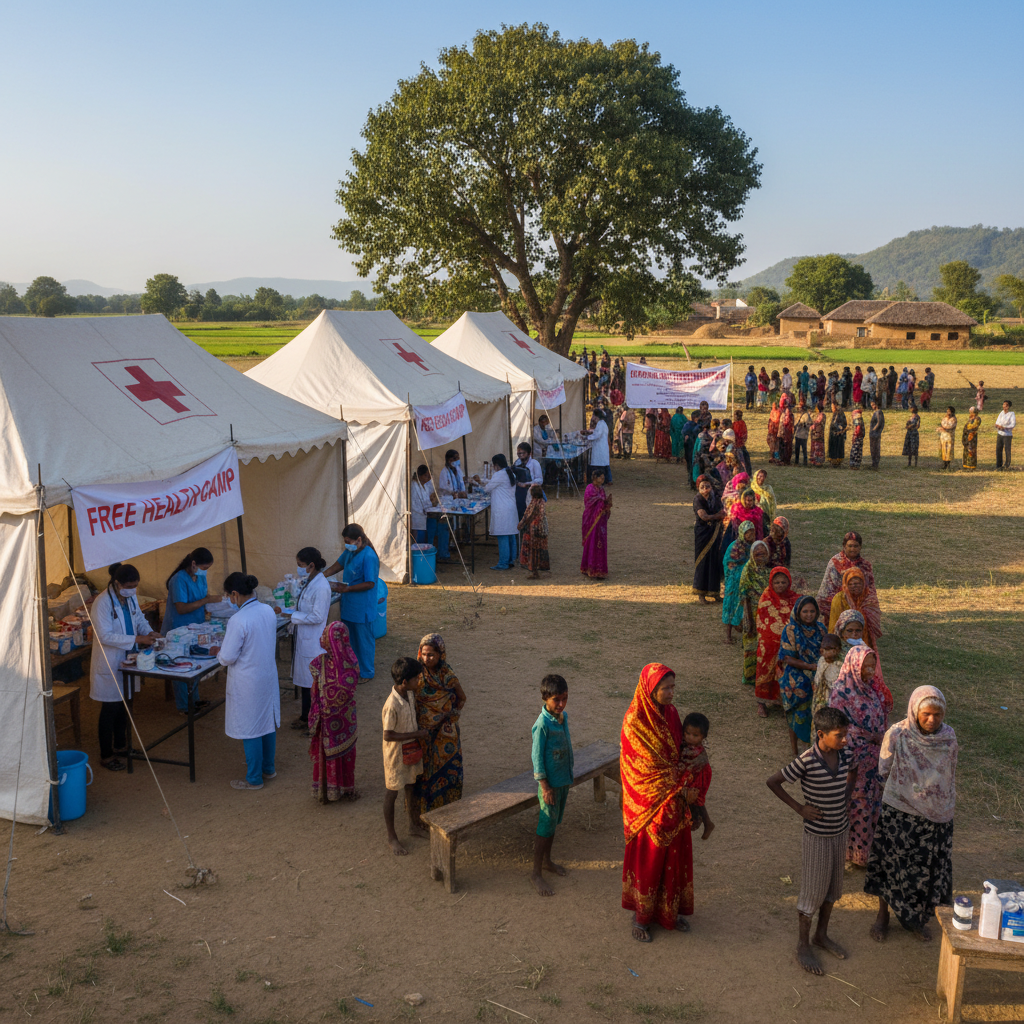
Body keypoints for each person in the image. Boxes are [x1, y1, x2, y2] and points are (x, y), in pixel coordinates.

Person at [766, 706, 857, 976]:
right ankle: (803, 944)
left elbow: (854, 770)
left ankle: (821, 935)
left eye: (845, 735)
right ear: (821, 734)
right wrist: (799, 808)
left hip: (840, 832)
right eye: (839, 736)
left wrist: (847, 796)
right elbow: (773, 782)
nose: (844, 740)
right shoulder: (806, 760)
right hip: (817, 837)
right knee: (812, 891)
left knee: (832, 888)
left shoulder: (846, 754)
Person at [865, 686, 957, 943]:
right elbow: (883, 769)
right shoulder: (897, 733)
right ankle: (882, 917)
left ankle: (916, 919)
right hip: (900, 813)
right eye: (926, 714)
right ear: (915, 711)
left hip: (936, 818)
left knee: (926, 870)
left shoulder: (949, 737)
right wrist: (907, 793)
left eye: (938, 714)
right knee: (891, 865)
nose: (932, 720)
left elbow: (949, 774)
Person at [620, 664, 705, 942]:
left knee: (674, 858)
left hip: (675, 802)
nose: (670, 693)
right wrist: (682, 787)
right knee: (652, 859)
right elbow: (644, 772)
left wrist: (696, 767)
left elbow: (679, 754)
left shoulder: (671, 713)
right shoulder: (635, 722)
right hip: (650, 806)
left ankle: (670, 912)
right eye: (665, 688)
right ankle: (641, 916)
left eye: (673, 687)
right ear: (650, 689)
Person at [214, 572, 280, 791]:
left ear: (234, 594)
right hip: (266, 675)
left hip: (247, 680)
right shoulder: (267, 610)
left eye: (228, 596)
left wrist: (218, 652)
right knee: (266, 722)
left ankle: (254, 778)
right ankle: (268, 768)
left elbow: (227, 657)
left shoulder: (238, 619)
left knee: (250, 728)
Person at [90, 563, 158, 772]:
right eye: (129, 586)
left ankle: (121, 746)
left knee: (126, 705)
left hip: (129, 657)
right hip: (110, 660)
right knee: (110, 707)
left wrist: (150, 633)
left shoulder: (129, 596)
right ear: (117, 583)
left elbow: (138, 617)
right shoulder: (102, 602)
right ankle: (106, 755)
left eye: (135, 586)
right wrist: (138, 638)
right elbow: (104, 636)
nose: (132, 590)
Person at [828, 646, 889, 868]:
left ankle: (867, 850)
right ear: (854, 666)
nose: (870, 670)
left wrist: (881, 739)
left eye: (873, 665)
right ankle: (853, 853)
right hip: (853, 760)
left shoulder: (874, 690)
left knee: (872, 804)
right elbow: (838, 728)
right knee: (857, 805)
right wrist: (869, 736)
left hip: (874, 760)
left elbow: (883, 717)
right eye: (866, 666)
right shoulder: (841, 693)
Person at [413, 633, 466, 818]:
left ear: (440, 655)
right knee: (423, 772)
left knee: (446, 768)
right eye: (424, 654)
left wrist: (451, 719)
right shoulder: (416, 673)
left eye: (431, 655)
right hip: (423, 733)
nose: (427, 658)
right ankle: (423, 812)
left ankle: (448, 809)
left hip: (445, 733)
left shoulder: (447, 675)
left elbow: (462, 697)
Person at [280, 547, 332, 732]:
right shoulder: (310, 581)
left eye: (300, 565)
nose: (298, 569)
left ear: (311, 565)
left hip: (313, 640)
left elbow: (317, 616)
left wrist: (293, 616)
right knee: (306, 683)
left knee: (312, 684)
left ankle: (314, 721)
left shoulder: (321, 586)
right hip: (304, 638)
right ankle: (305, 717)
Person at [530, 674, 574, 896]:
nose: (561, 704)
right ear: (545, 698)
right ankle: (536, 873)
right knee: (545, 826)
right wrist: (545, 786)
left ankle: (548, 861)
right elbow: (537, 758)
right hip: (549, 786)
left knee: (554, 822)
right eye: (556, 699)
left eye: (565, 698)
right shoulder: (541, 725)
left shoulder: (562, 717)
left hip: (562, 781)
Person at [307, 621, 359, 803]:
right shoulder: (352, 664)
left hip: (331, 722)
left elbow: (315, 692)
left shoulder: (319, 664)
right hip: (342, 722)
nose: (321, 639)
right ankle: (342, 789)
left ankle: (329, 792)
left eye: (324, 636)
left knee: (332, 755)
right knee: (344, 755)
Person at [162, 546, 218, 714]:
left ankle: (194, 699)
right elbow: (181, 608)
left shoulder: (199, 578)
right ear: (193, 564)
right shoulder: (178, 579)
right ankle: (184, 706)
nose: (205, 572)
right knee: (181, 665)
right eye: (203, 568)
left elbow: (203, 598)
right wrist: (206, 600)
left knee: (194, 663)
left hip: (196, 625)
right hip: (179, 628)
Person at [382, 657, 429, 855]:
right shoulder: (391, 704)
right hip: (396, 756)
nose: (419, 682)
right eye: (416, 679)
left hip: (411, 751)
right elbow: (388, 734)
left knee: (412, 785)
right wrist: (417, 734)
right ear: (404, 682)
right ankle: (392, 836)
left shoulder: (410, 694)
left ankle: (414, 824)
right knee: (393, 792)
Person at [325, 524, 380, 680]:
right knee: (350, 639)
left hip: (362, 606)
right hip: (350, 605)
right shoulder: (351, 551)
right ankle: (353, 669)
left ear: (359, 539)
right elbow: (338, 565)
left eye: (348, 541)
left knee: (364, 641)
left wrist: (347, 589)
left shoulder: (369, 556)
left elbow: (370, 583)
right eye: (345, 541)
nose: (346, 544)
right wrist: (320, 576)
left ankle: (366, 672)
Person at [778, 596, 828, 754]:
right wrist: (809, 666)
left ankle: (814, 747)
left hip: (818, 672)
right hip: (796, 673)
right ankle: (795, 749)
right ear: (798, 612)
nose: (809, 615)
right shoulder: (791, 630)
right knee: (796, 711)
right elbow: (787, 657)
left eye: (812, 611)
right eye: (805, 611)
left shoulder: (821, 629)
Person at [755, 566, 798, 718]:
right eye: (777, 582)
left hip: (788, 641)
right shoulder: (766, 598)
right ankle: (762, 702)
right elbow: (762, 622)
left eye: (783, 582)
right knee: (765, 669)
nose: (780, 585)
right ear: (771, 583)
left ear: (789, 582)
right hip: (769, 642)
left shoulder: (795, 599)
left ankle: (781, 700)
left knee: (786, 669)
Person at [476, 454, 519, 570]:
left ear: (496, 465)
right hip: (510, 508)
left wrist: (476, 484)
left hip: (502, 509)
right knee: (510, 534)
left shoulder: (499, 475)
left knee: (503, 535)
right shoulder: (510, 473)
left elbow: (486, 489)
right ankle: (511, 560)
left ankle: (503, 563)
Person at [739, 540, 771, 690]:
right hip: (751, 612)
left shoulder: (767, 571)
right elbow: (744, 596)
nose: (760, 556)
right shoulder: (748, 570)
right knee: (751, 645)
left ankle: (761, 674)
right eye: (757, 554)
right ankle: (749, 676)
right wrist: (749, 620)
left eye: (763, 553)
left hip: (765, 614)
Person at [817, 531, 876, 612]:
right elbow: (829, 589)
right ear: (844, 546)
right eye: (850, 546)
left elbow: (870, 589)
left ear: (860, 547)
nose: (853, 549)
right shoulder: (835, 562)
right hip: (837, 605)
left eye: (856, 546)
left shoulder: (865, 565)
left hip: (860, 606)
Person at [828, 566, 882, 649]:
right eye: (850, 584)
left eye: (857, 583)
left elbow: (874, 619)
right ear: (845, 584)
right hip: (844, 639)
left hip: (864, 637)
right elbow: (835, 624)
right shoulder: (839, 599)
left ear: (863, 583)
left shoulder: (869, 598)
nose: (854, 586)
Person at [722, 519, 757, 644]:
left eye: (753, 532)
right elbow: (729, 564)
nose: (751, 536)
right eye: (748, 533)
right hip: (734, 583)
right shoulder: (735, 547)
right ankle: (728, 635)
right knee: (731, 606)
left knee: (745, 606)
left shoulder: (753, 547)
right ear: (742, 533)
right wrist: (744, 569)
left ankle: (744, 631)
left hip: (746, 582)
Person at [692, 475, 725, 602]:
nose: (705, 489)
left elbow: (722, 511)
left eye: (708, 486)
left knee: (715, 561)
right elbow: (703, 516)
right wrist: (717, 516)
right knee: (703, 561)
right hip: (703, 534)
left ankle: (714, 592)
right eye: (702, 487)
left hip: (716, 533)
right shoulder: (698, 499)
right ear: (698, 488)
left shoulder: (715, 497)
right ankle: (701, 593)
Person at [412, 465, 451, 560]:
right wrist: (427, 510)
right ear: (420, 476)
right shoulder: (414, 486)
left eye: (429, 476)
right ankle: (419, 560)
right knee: (419, 542)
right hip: (418, 516)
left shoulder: (424, 485)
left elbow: (427, 500)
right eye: (426, 476)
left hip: (425, 514)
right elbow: (414, 504)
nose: (428, 478)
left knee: (429, 534)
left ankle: (431, 555)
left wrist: (432, 504)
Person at [581, 468, 612, 579]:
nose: (603, 480)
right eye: (601, 478)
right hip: (591, 520)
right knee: (592, 542)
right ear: (595, 478)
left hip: (601, 521)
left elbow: (602, 501)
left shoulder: (602, 489)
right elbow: (589, 502)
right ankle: (590, 568)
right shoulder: (589, 488)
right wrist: (601, 502)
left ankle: (600, 569)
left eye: (604, 478)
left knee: (601, 543)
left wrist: (607, 504)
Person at [518, 484, 550, 578]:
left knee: (533, 550)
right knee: (539, 549)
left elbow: (528, 515)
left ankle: (534, 571)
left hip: (534, 529)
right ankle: (538, 568)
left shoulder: (534, 502)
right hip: (542, 528)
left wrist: (521, 525)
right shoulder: (542, 502)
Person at [811, 634, 843, 714]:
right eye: (823, 648)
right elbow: (818, 677)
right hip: (820, 695)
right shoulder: (822, 660)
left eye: (828, 649)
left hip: (834, 696)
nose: (824, 651)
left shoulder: (840, 664)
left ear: (838, 650)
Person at [584, 405, 611, 482]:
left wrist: (587, 438)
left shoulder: (600, 424)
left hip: (599, 449)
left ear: (596, 416)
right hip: (601, 448)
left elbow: (597, 435)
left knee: (598, 466)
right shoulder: (603, 424)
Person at [995, 399, 1014, 469]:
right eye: (1004, 404)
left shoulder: (1011, 414)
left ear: (1009, 406)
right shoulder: (1001, 413)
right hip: (1000, 433)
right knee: (998, 449)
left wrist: (1004, 427)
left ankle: (1007, 465)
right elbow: (997, 422)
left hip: (1007, 435)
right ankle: (998, 465)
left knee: (1007, 450)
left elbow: (1012, 424)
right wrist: (997, 426)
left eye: (1006, 405)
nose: (1004, 406)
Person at [827, 401, 847, 468]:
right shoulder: (838, 413)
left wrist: (837, 431)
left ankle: (835, 462)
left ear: (835, 405)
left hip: (836, 436)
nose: (831, 408)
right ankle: (835, 462)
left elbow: (837, 425)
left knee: (836, 449)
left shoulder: (838, 413)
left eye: (832, 407)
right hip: (837, 435)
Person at [901, 404, 920, 468]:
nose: (910, 409)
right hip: (909, 433)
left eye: (911, 408)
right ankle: (909, 462)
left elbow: (917, 425)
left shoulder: (917, 417)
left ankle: (915, 463)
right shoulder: (911, 417)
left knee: (914, 447)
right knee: (909, 447)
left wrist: (910, 426)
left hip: (913, 433)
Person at [868, 399, 885, 470]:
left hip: (875, 434)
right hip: (873, 434)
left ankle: (875, 463)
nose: (872, 406)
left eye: (873, 405)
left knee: (875, 448)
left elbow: (879, 422)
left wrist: (874, 429)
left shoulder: (878, 412)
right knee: (873, 448)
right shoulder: (876, 412)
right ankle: (873, 463)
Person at [809, 403, 827, 468]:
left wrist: (812, 425)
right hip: (817, 435)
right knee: (816, 448)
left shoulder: (821, 416)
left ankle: (818, 461)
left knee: (818, 448)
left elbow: (818, 424)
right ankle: (815, 461)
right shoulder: (821, 415)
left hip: (818, 435)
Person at [778, 400, 795, 466]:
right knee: (785, 446)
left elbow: (786, 423)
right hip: (785, 433)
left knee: (785, 447)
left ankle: (785, 460)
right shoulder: (787, 413)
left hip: (785, 433)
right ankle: (784, 460)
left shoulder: (788, 413)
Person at [794, 401, 810, 466]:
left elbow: (807, 425)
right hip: (798, 434)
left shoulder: (806, 415)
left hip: (803, 434)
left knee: (804, 449)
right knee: (797, 449)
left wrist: (802, 424)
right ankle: (796, 461)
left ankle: (805, 461)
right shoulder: (798, 415)